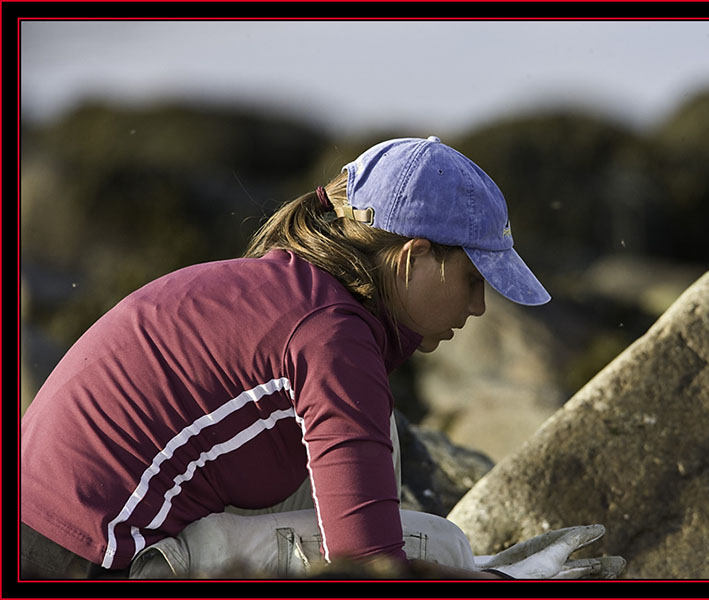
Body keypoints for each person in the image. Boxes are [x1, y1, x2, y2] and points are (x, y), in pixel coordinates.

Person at [20, 135, 552, 580]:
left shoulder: (283, 288)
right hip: (85, 559)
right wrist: (482, 578)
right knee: (437, 545)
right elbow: (367, 566)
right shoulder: (332, 339)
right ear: (414, 257)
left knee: (380, 435)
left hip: (31, 524)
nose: (480, 306)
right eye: (474, 279)